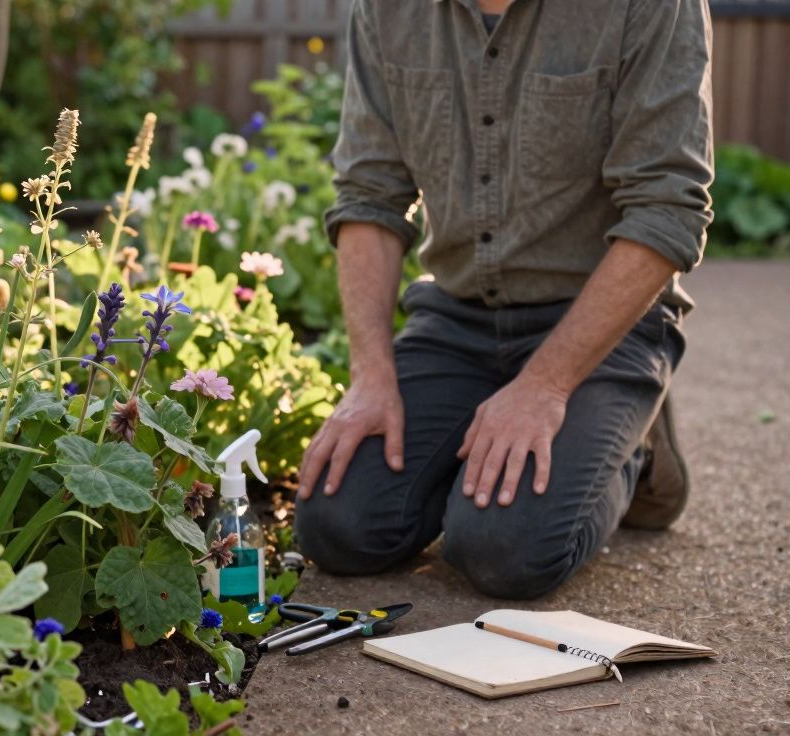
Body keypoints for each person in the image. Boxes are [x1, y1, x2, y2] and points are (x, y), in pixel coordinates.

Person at [293, 0, 713, 599]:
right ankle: (500, 433)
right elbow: (369, 196)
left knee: (502, 549)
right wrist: (370, 375)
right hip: (457, 318)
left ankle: (634, 439)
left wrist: (545, 387)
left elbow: (668, 209)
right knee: (338, 525)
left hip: (599, 331)